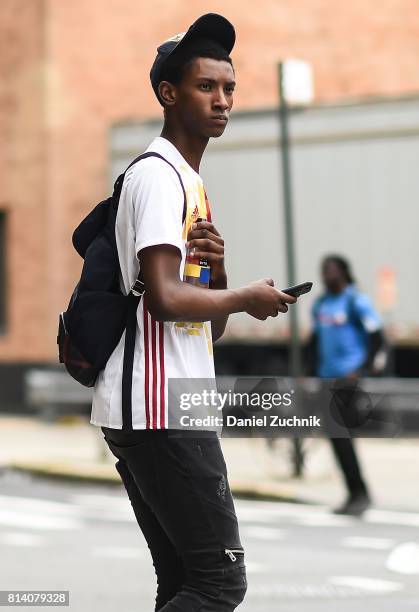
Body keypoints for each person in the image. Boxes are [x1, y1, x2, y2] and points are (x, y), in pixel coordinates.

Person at [90, 14, 297, 611]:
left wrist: (223, 279)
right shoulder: (159, 178)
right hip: (159, 408)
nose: (223, 100)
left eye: (229, 88)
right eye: (207, 86)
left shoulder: (191, 184)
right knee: (219, 582)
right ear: (169, 93)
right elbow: (163, 297)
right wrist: (247, 295)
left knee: (183, 580)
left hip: (164, 402)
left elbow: (205, 323)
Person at [308, 255, 388, 516]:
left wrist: (360, 371)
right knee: (336, 438)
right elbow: (314, 342)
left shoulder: (356, 301)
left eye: (330, 270)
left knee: (343, 438)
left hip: (347, 381)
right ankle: (355, 493)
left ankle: (360, 494)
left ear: (343, 272)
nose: (326, 275)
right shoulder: (321, 305)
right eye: (323, 271)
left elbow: (377, 338)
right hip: (326, 379)